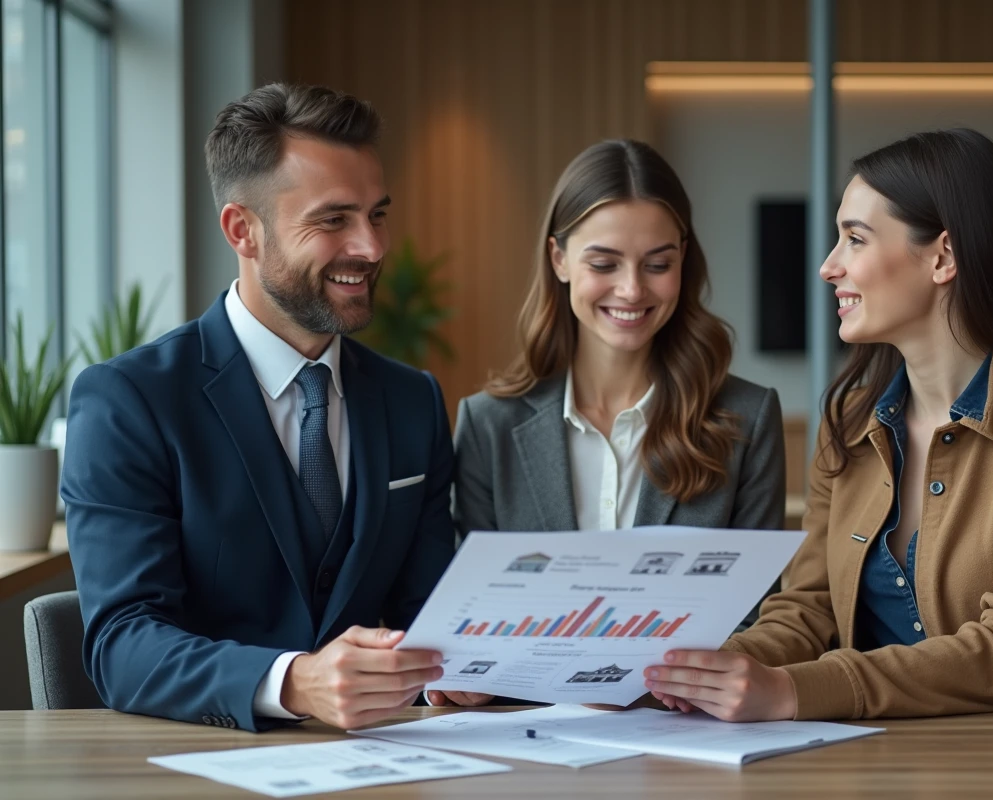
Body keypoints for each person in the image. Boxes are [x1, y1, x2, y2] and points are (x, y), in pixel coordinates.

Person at [639, 128, 993, 721]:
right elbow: (808, 610)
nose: (828, 267)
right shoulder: (849, 420)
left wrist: (796, 691)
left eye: (854, 238)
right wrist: (690, 671)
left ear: (943, 256)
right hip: (867, 755)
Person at [62, 84, 451, 732]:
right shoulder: (129, 401)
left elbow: (434, 616)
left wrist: (461, 674)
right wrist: (294, 682)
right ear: (242, 229)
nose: (373, 247)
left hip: (381, 767)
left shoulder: (414, 400)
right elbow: (123, 644)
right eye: (334, 220)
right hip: (191, 770)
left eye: (377, 214)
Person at [429, 138, 786, 708]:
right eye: (603, 263)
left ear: (683, 262)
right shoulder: (487, 425)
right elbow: (474, 615)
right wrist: (461, 677)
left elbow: (763, 614)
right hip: (531, 744)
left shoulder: (746, 418)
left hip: (685, 737)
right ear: (559, 259)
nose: (631, 289)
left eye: (658, 264)